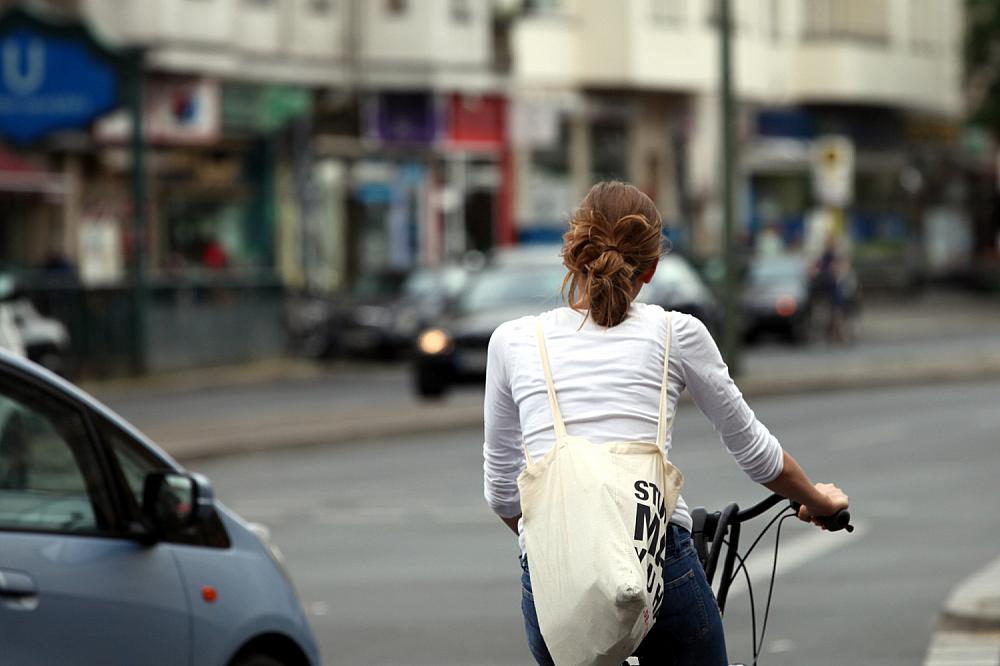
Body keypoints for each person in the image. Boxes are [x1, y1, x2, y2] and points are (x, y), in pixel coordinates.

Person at [483, 181, 849, 666]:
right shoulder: (677, 333)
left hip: (553, 577)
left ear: (571, 255)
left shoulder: (512, 341)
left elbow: (503, 493)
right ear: (653, 268)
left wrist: (574, 550)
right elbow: (758, 456)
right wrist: (819, 501)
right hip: (659, 559)